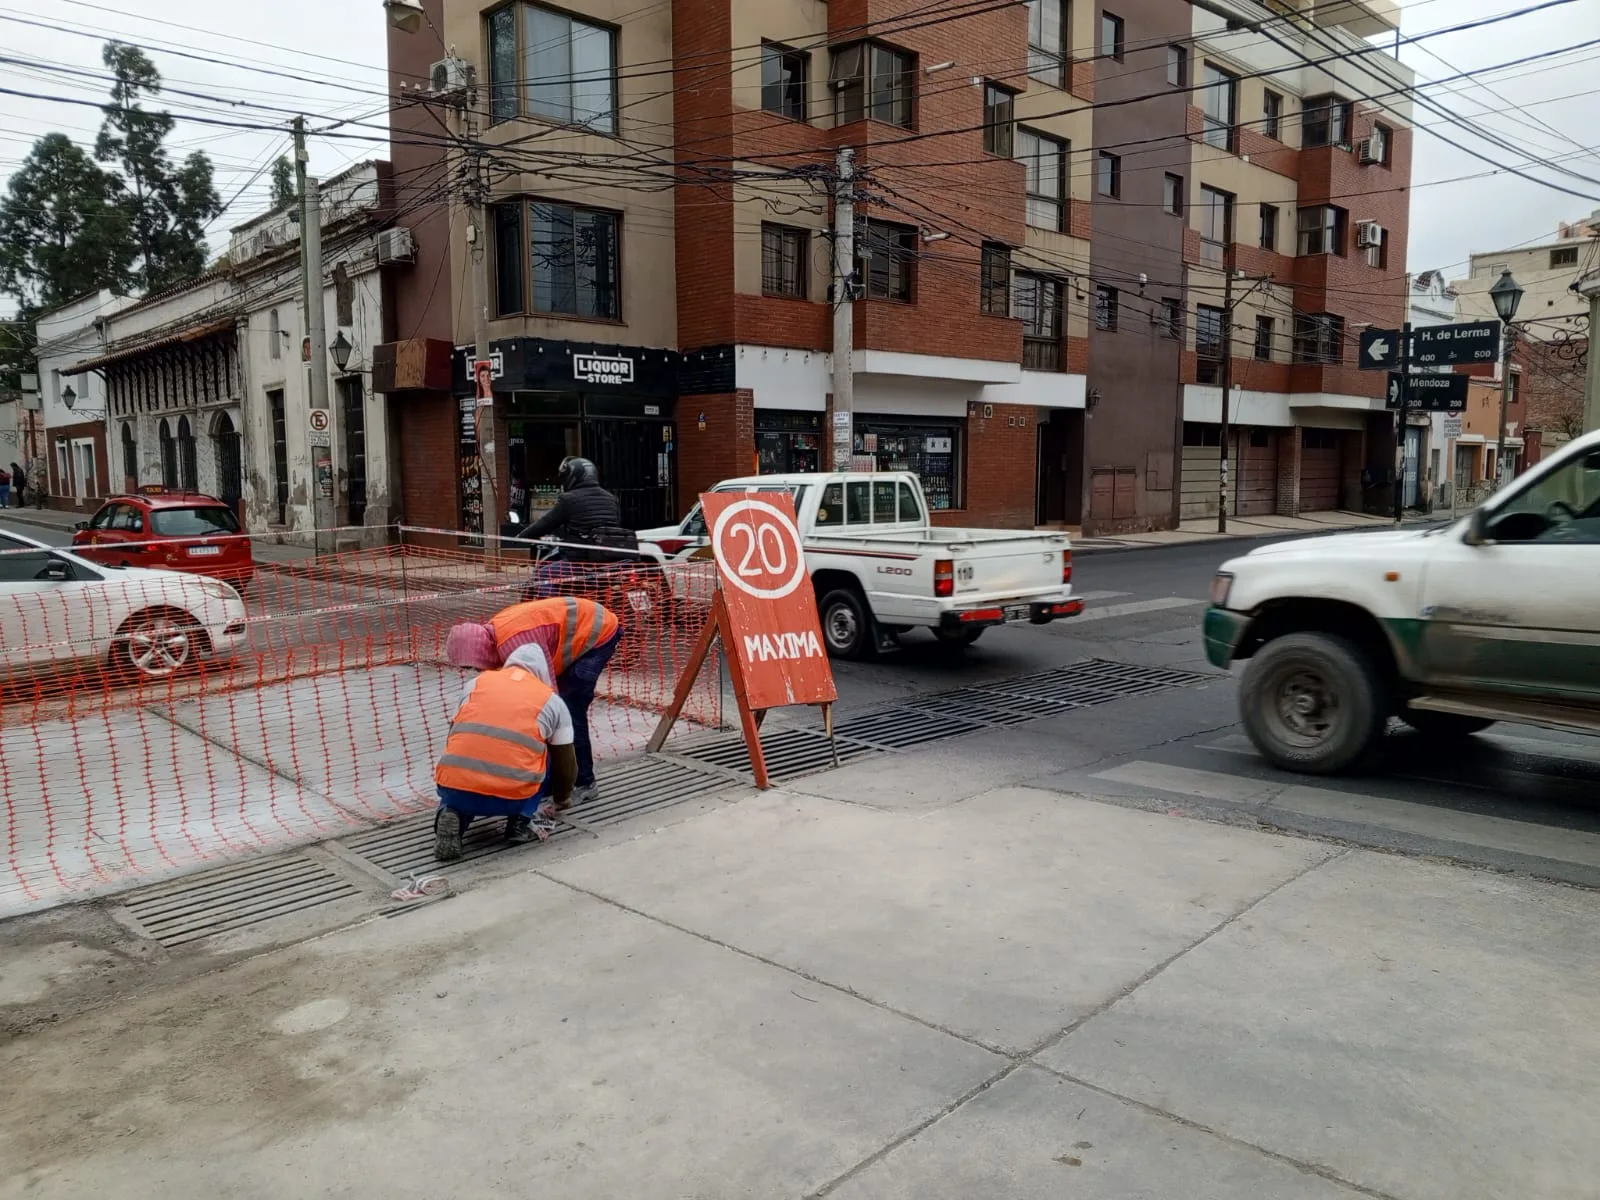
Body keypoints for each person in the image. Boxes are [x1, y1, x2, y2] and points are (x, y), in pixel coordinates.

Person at [447, 594, 621, 806]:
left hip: (598, 632)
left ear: (479, 651)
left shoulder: (516, 644)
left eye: (473, 665)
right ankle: (552, 780)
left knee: (568, 710)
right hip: (578, 629)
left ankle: (583, 782)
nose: (477, 670)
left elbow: (547, 696)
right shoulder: (495, 636)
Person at [434, 641, 578, 861]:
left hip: (456, 788)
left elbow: (454, 735)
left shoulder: (475, 684)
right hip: (513, 795)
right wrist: (562, 797)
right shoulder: (552, 701)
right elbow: (566, 764)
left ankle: (452, 815)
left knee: (466, 758)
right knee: (547, 754)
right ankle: (520, 821)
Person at [521, 456, 622, 547]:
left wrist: (519, 538)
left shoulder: (568, 499)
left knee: (543, 568)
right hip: (609, 558)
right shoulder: (612, 498)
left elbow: (545, 524)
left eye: (564, 478)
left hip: (578, 558)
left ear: (573, 477)